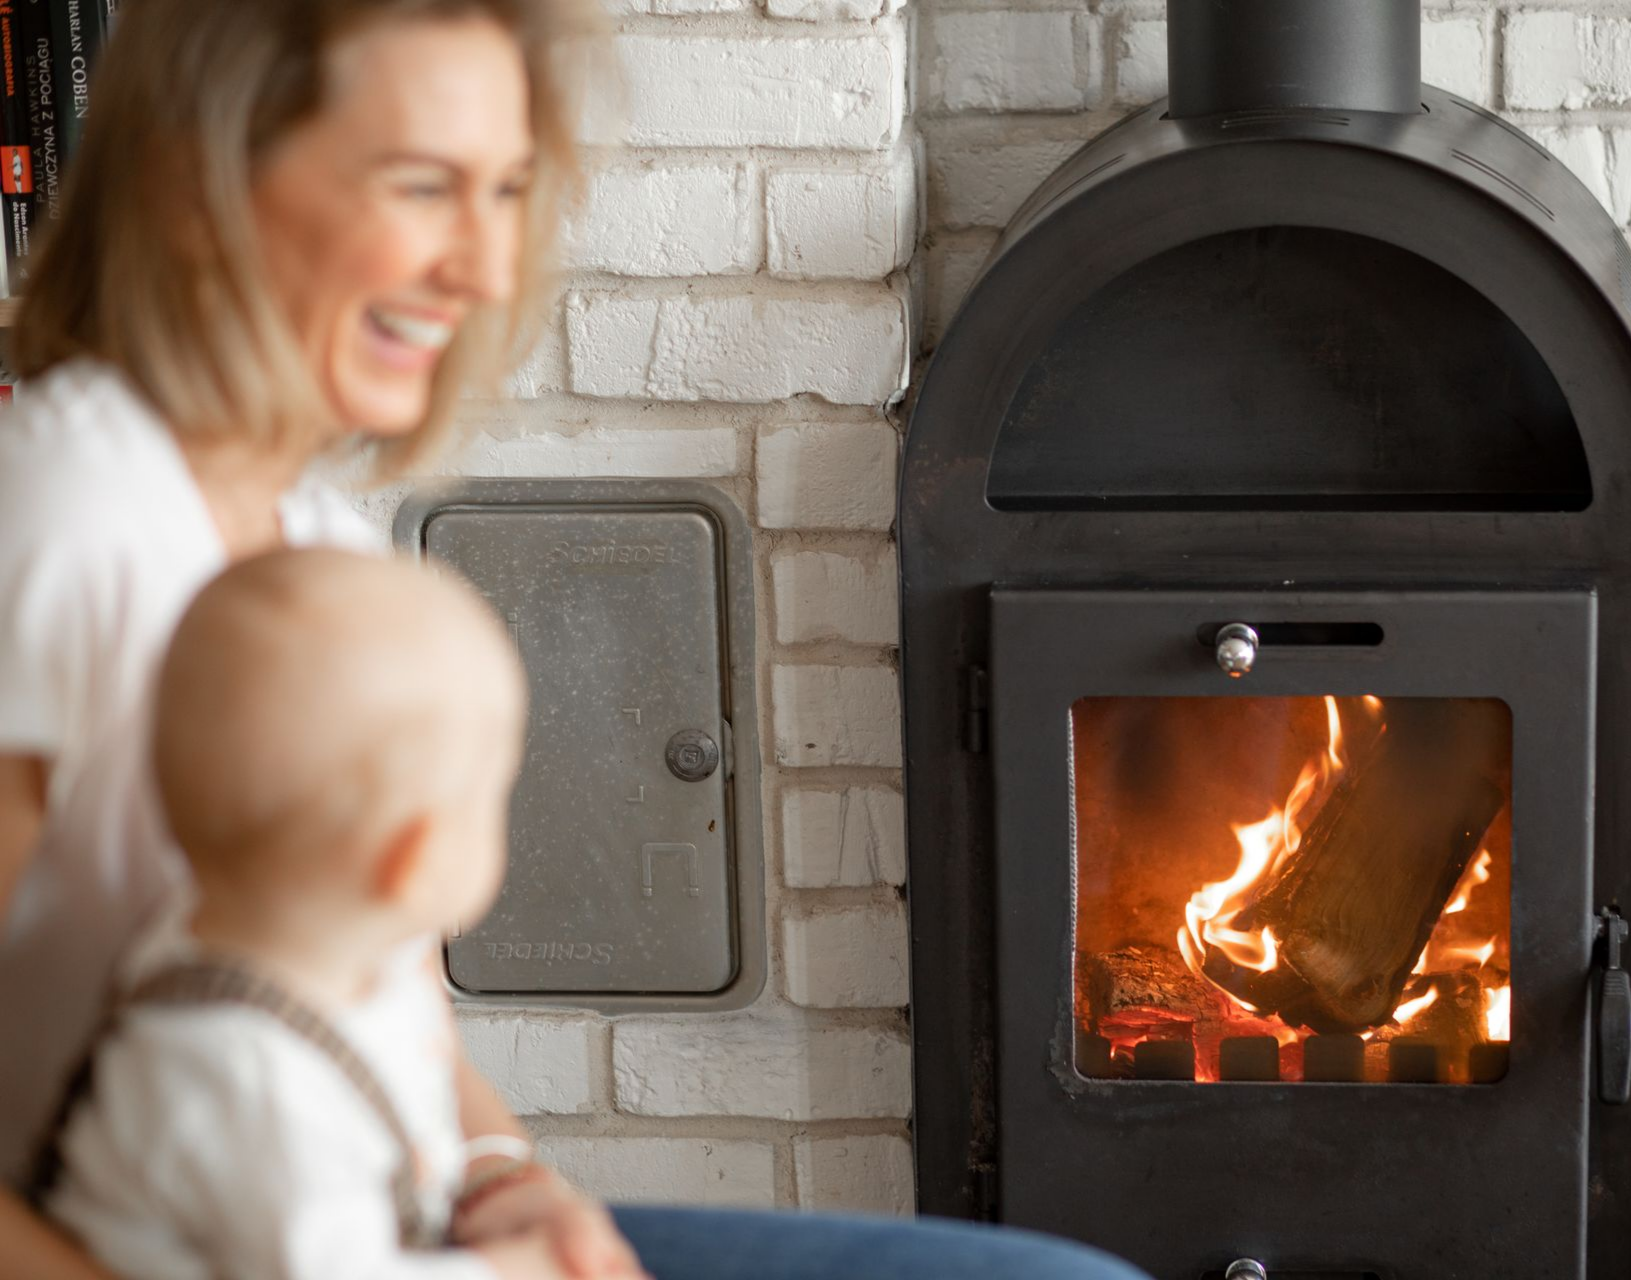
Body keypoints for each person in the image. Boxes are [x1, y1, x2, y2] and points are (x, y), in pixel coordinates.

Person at [0, 3, 1150, 1279]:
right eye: (424, 186)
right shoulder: (56, 526)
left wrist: (515, 1186)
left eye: (503, 193)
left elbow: (386, 1017)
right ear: (200, 182)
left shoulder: (314, 546)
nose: (486, 269)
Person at [44, 549, 628, 1280]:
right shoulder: (247, 1076)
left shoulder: (320, 944)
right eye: (493, 796)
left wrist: (499, 1193)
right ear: (413, 861)